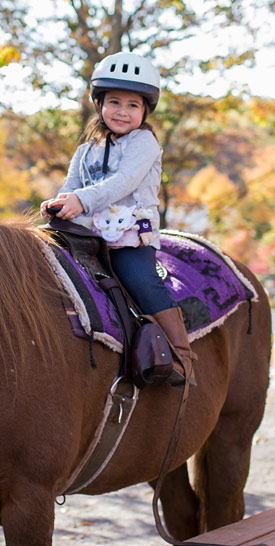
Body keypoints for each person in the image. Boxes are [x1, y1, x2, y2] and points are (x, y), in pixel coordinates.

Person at [41, 50, 195, 387]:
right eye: (114, 102)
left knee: (140, 280)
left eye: (132, 105)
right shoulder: (84, 151)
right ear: (100, 105)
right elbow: (72, 185)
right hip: (87, 233)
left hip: (128, 236)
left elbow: (122, 182)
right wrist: (60, 202)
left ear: (145, 110)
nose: (122, 112)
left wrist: (81, 200)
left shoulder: (145, 143)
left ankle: (181, 357)